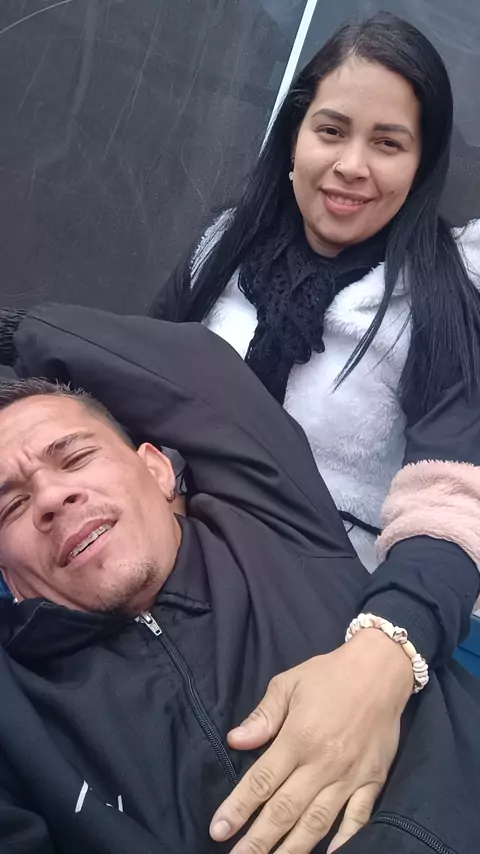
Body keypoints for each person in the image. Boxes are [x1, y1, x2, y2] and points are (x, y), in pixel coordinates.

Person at [0, 302, 480, 854]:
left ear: (157, 468)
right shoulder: (17, 714)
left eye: (76, 457)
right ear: (8, 573)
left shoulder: (272, 517)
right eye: (11, 506)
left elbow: (196, 372)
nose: (51, 497)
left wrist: (14, 330)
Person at [149, 14, 480, 636]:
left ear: (421, 163)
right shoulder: (224, 245)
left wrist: (389, 641)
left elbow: (449, 501)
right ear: (295, 136)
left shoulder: (438, 298)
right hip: (165, 578)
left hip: (316, 620)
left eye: (388, 144)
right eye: (331, 130)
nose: (351, 165)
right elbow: (132, 376)